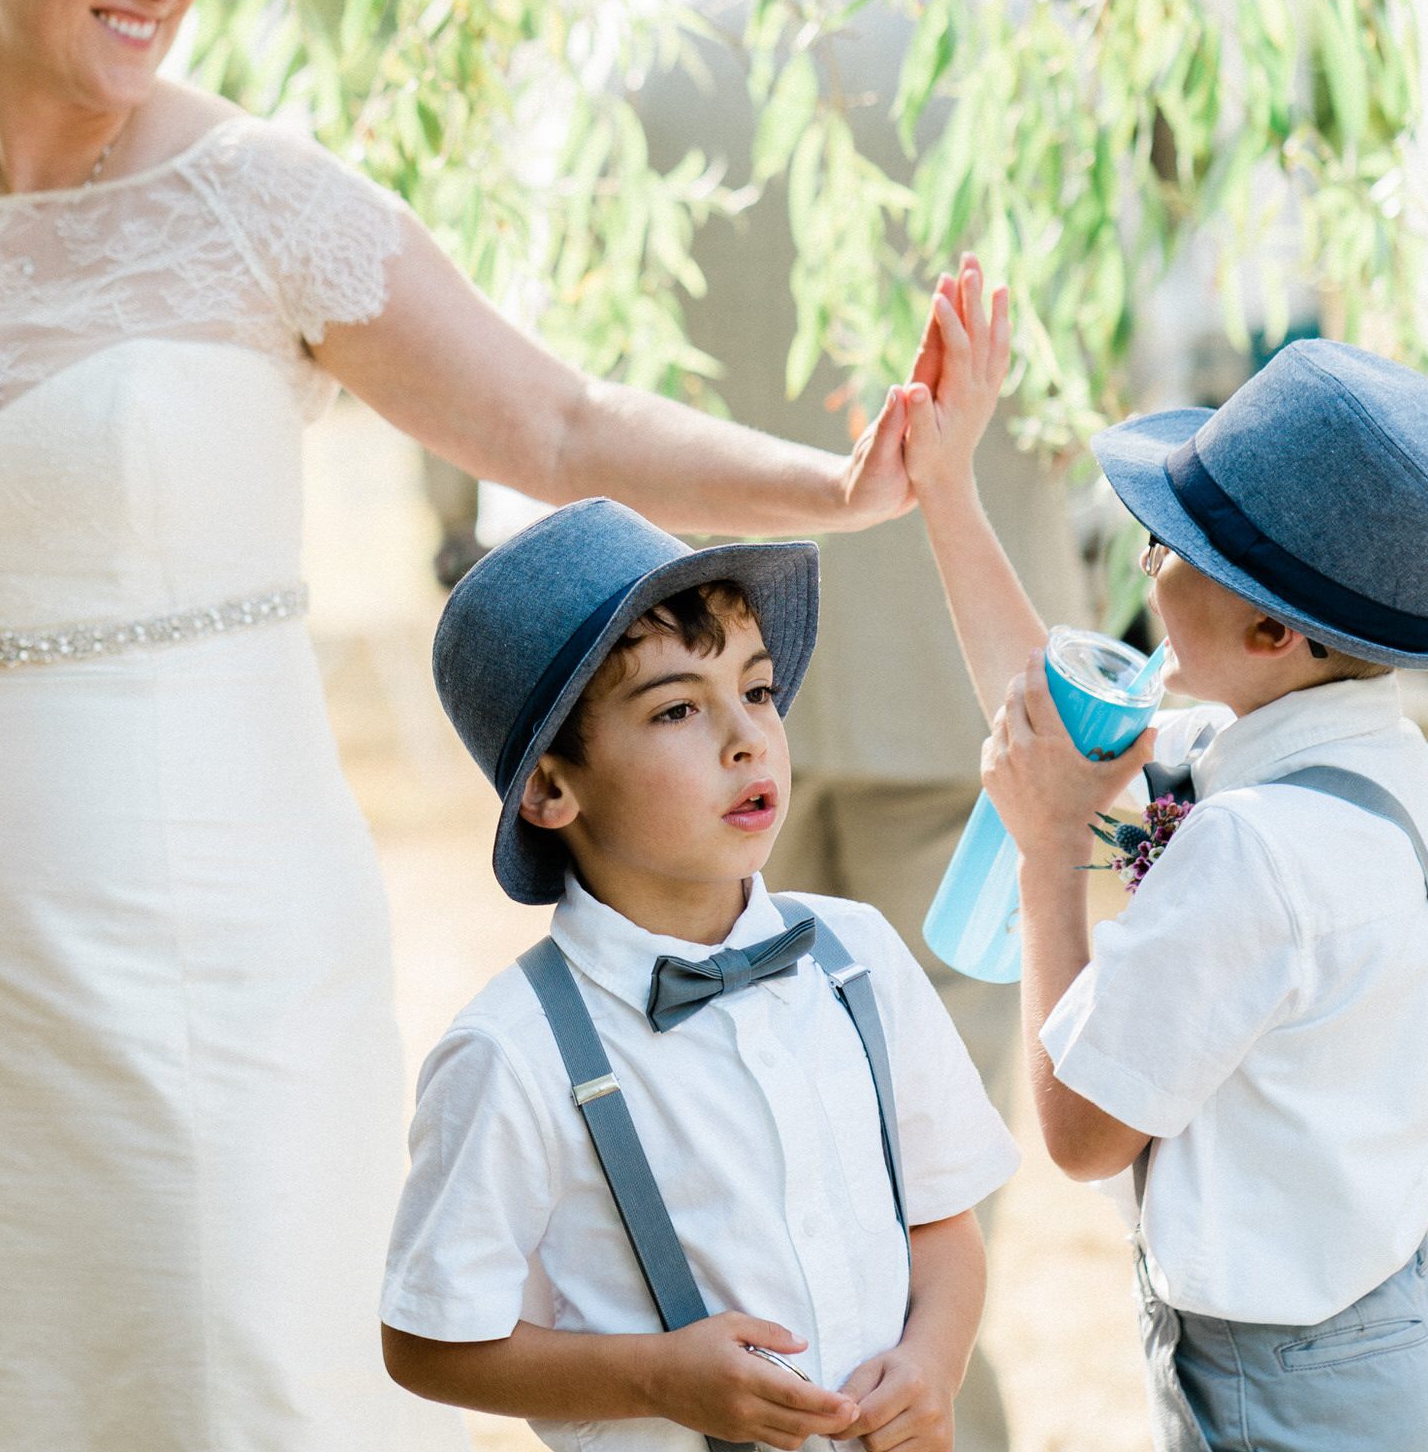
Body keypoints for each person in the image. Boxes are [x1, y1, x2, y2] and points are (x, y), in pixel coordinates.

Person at [0, 0, 931, 1441]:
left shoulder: (259, 198)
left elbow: (553, 419)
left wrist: (838, 486)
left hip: (222, 926)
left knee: (244, 1370)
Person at [604, 0, 1093, 1443]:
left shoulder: (628, 54)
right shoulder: (1019, 50)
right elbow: (1095, 378)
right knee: (930, 1168)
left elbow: (575, 389)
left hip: (689, 696)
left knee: (721, 1156)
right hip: (954, 689)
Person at [903, 263, 1428, 1449]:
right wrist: (945, 488)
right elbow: (1057, 727)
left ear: (1271, 631)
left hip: (1281, 1392)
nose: (1141, 563)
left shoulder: (1251, 851)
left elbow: (1078, 1131)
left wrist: (1048, 853)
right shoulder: (1395, 774)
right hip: (1395, 1335)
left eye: (1171, 546)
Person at [381, 497, 1018, 1451]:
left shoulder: (859, 959)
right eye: (678, 708)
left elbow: (942, 1222)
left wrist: (934, 1360)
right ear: (553, 786)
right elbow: (428, 1342)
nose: (748, 736)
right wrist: (654, 1375)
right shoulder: (512, 1054)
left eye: (757, 691)